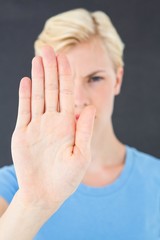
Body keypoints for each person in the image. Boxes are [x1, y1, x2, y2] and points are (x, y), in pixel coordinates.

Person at [0, 8, 160, 240]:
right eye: (63, 80)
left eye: (95, 78)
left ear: (118, 79)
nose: (78, 99)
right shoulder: (14, 184)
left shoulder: (156, 179)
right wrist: (34, 203)